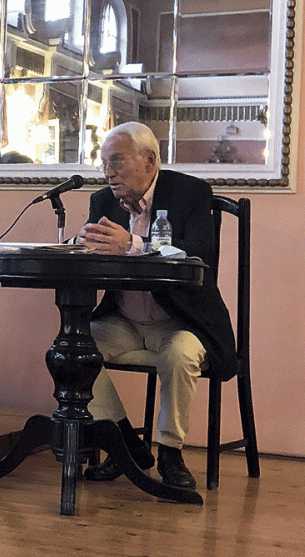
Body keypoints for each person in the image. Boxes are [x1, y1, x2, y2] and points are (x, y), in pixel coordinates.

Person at [74, 121, 237, 489]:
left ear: (148, 160)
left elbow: (199, 255)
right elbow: (93, 256)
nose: (108, 172)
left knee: (180, 355)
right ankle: (126, 446)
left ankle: (170, 452)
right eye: (104, 163)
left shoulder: (190, 193)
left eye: (117, 161)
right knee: (72, 350)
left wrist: (133, 244)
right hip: (124, 322)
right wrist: (82, 244)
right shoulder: (102, 202)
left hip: (181, 322)